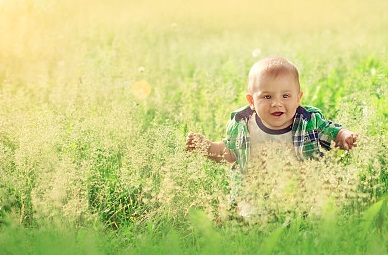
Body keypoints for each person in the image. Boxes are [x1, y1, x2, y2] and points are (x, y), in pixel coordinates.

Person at [186, 57, 358, 173]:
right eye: (267, 96)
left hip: (302, 193)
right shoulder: (244, 125)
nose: (277, 103)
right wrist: (206, 147)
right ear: (251, 101)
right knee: (250, 215)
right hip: (257, 195)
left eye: (285, 96)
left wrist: (344, 136)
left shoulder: (308, 121)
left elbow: (330, 132)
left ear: (298, 99)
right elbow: (230, 153)